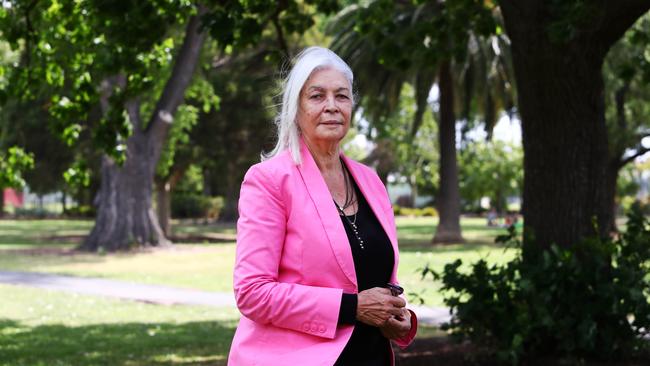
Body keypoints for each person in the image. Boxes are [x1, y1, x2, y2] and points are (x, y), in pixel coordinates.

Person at [228, 46, 417, 365]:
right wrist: (352, 308)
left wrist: (397, 317)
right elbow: (252, 293)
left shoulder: (371, 182)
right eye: (317, 96)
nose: (331, 106)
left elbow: (377, 276)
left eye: (341, 96)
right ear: (295, 109)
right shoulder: (269, 180)